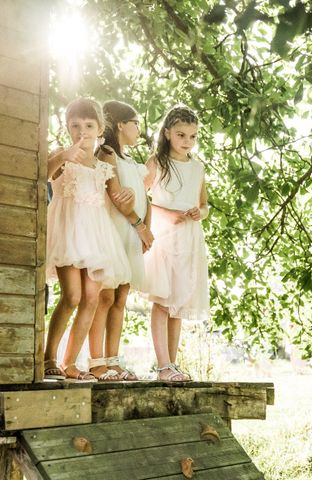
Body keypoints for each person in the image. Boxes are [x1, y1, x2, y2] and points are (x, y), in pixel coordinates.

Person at [44, 98, 131, 381]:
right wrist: (64, 155)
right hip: (68, 232)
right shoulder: (61, 155)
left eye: (89, 125)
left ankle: (70, 363)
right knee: (72, 296)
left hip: (95, 236)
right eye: (75, 125)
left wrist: (128, 198)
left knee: (92, 298)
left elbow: (116, 200)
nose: (83, 131)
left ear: (100, 128)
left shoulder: (102, 166)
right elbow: (43, 174)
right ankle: (49, 357)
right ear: (67, 127)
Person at [88, 100, 154, 381]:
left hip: (131, 233)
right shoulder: (107, 153)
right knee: (104, 295)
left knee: (120, 298)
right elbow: (115, 195)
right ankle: (96, 361)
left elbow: (145, 200)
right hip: (112, 230)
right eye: (135, 123)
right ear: (120, 125)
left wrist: (145, 228)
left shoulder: (133, 163)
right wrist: (139, 226)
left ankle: (114, 360)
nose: (139, 129)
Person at [144, 105, 210, 382]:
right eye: (182, 135)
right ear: (168, 133)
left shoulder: (197, 167)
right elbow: (141, 199)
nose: (187, 141)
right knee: (163, 300)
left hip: (190, 239)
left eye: (193, 136)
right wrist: (168, 213)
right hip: (164, 237)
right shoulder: (157, 163)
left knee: (179, 304)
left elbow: (204, 204)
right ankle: (162, 366)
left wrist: (200, 213)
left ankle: (172, 364)